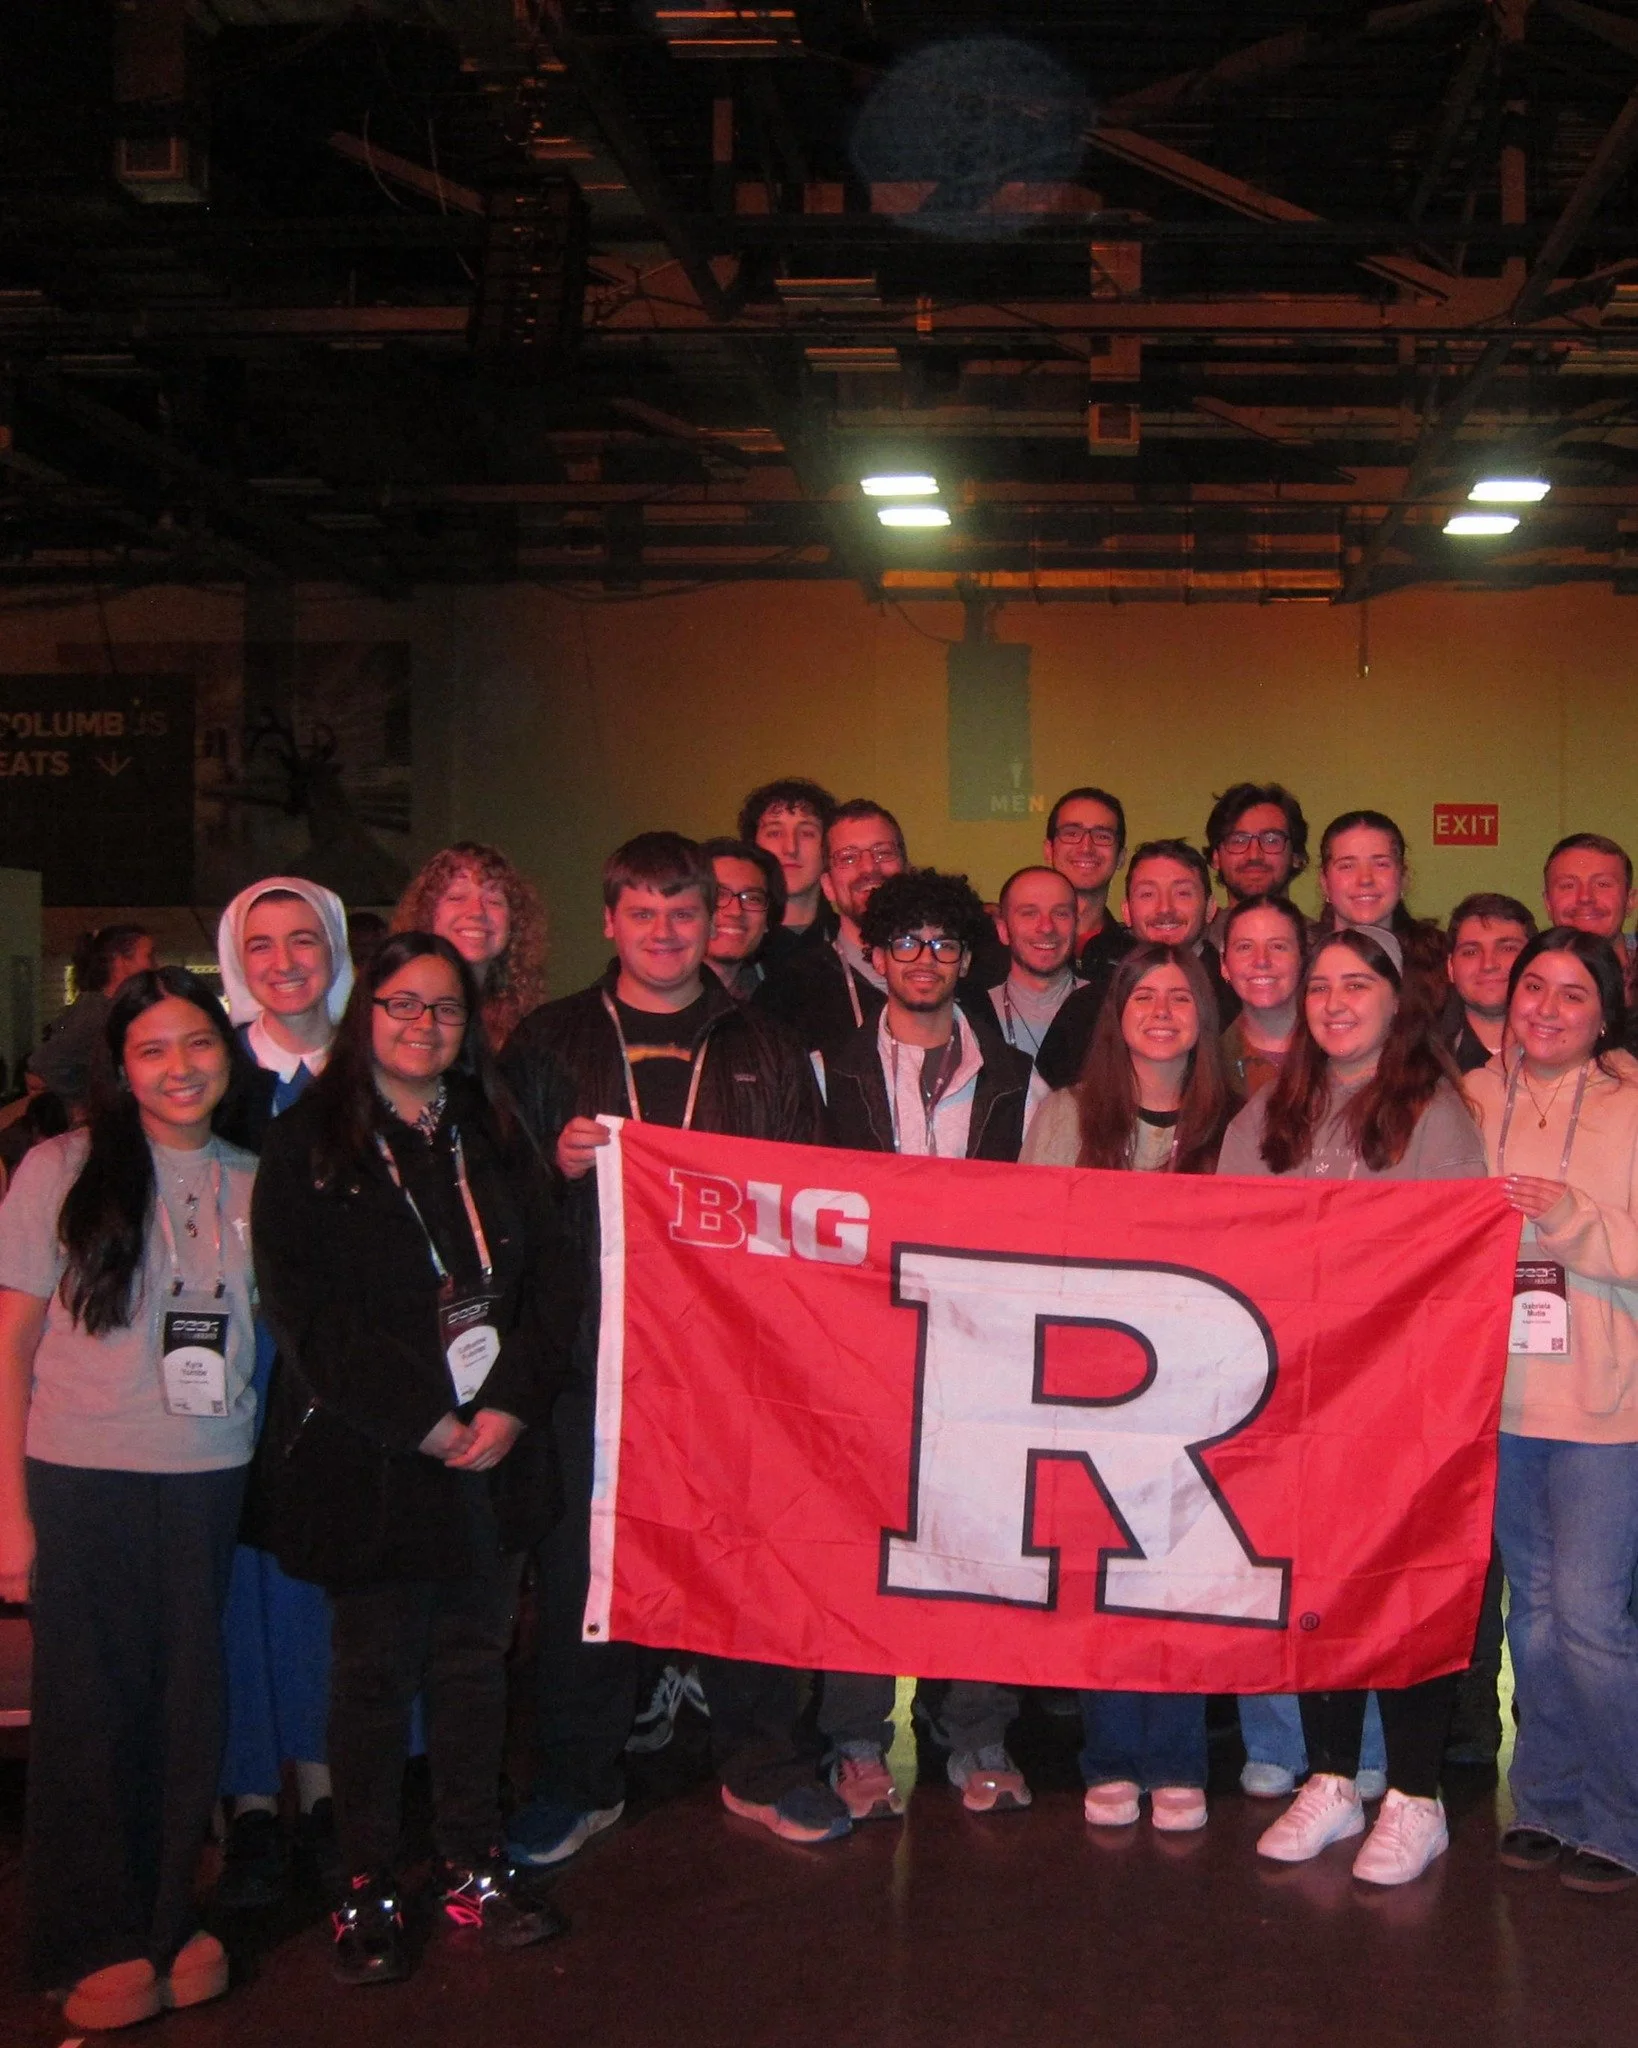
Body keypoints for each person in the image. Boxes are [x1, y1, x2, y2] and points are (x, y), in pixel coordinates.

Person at [501, 832, 852, 1853]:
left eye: (684, 913)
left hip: (732, 1359)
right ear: (609, 920)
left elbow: (812, 1201)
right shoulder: (550, 1041)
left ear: (715, 923)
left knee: (750, 1563)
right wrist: (557, 1167)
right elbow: (497, 1205)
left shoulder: (765, 1045)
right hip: (590, 1358)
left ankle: (763, 1762)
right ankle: (578, 1774)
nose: (664, 932)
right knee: (588, 1574)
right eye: (643, 913)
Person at [251, 933, 571, 1982]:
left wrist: (514, 1405)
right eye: (401, 1004)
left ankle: (472, 1859)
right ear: (364, 1012)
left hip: (495, 1450)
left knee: (477, 1666)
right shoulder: (306, 1146)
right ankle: (367, 1881)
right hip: (380, 1457)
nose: (423, 1025)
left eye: (444, 1008)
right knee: (376, 1674)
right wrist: (426, 1421)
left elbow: (550, 1280)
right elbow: (310, 1318)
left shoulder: (493, 1127)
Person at [0, 968, 257, 2029]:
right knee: (89, 1715)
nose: (180, 1066)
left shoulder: (252, 1174)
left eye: (197, 1042)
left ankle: (162, 1920)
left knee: (185, 1709)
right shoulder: (60, 1167)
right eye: (153, 1049)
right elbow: (8, 1348)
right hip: (83, 1474)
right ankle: (85, 1937)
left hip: (208, 1477)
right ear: (121, 1066)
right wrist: (8, 1513)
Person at [1219, 927, 1486, 1885]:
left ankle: (1417, 1794)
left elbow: (1452, 1265)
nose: (1334, 1001)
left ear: (1395, 998)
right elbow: (1231, 1249)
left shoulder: (1435, 1111)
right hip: (1296, 1400)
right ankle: (1332, 1776)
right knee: (1317, 1590)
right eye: (1319, 985)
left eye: (1355, 985)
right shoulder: (1265, 1114)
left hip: (1404, 1401)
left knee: (1408, 1588)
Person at [818, 870, 1038, 1822]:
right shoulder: (827, 1069)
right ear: (874, 957)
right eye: (904, 943)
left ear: (966, 958)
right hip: (858, 1347)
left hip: (982, 1351)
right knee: (857, 1543)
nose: (924, 961)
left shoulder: (1021, 1081)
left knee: (980, 1544)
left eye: (943, 944)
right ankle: (857, 1741)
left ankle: (977, 1735)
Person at [1022, 943, 1233, 1834]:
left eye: (1180, 996)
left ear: (1203, 1018)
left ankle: (1177, 1759)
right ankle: (1109, 1758)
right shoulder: (1068, 1116)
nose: (1160, 1010)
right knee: (1098, 1579)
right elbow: (1025, 1245)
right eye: (1142, 995)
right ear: (1116, 1015)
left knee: (1181, 1579)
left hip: (1204, 1388)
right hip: (1089, 1386)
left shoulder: (1244, 1124)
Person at [1467, 927, 1638, 1894]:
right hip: (1496, 1399)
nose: (1547, 1008)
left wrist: (1570, 1214)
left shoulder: (1632, 1104)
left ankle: (1622, 1814)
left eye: (1574, 994)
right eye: (1535, 986)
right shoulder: (1469, 1096)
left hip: (1604, 1404)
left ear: (1604, 1009)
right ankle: (1546, 1800)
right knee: (1530, 1617)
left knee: (1590, 1619)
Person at [212, 878, 355, 1907]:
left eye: (303, 939)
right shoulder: (210, 1073)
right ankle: (253, 1797)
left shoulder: (375, 1062)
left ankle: (334, 1779)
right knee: (242, 1584)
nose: (284, 960)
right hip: (227, 1365)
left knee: (329, 1579)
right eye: (259, 944)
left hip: (345, 1365)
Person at [1036, 840, 1236, 1090]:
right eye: (1147, 894)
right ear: (1127, 911)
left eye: (1182, 893)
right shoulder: (1086, 1008)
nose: (1165, 908)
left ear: (1210, 908)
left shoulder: (1240, 1002)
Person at [755, 798, 907, 1066]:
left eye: (883, 853)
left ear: (906, 870)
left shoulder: (953, 975)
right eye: (848, 858)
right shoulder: (787, 993)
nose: (869, 868)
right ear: (827, 885)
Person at [394, 841, 548, 1052]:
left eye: (493, 901)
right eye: (457, 897)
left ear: (514, 922)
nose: (476, 911)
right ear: (426, 913)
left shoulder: (529, 1023)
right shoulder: (396, 1011)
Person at [1314, 809, 1446, 1015]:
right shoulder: (1302, 962)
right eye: (1347, 866)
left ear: (1403, 877)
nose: (1365, 879)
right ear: (1324, 882)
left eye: (1381, 864)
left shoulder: (1442, 962)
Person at [27, 923, 155, 1115]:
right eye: (148, 956)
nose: (154, 964)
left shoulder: (111, 1007)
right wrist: (85, 1102)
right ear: (120, 960)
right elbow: (42, 1065)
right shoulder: (95, 1012)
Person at [985, 865, 1084, 1063]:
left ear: (1076, 926)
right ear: (1003, 930)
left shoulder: (1110, 1009)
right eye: (1029, 913)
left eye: (1060, 913)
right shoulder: (973, 1018)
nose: (1046, 927)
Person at [1039, 785, 1132, 989]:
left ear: (1121, 857)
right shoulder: (1012, 946)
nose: (1086, 847)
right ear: (1049, 849)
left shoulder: (1135, 960)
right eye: (1072, 833)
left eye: (1102, 836)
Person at [738, 776, 836, 968]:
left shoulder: (858, 944)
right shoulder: (725, 942)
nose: (790, 848)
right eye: (774, 833)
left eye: (807, 833)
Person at [1217, 894, 1306, 1099]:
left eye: (1278, 946)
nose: (1262, 961)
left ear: (1302, 959)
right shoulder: (1210, 1066)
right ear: (1224, 965)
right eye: (1245, 947)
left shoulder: (1338, 1050)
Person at [1203, 783, 1310, 945]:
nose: (1254, 855)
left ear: (1296, 856)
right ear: (1216, 857)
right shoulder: (1194, 950)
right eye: (1238, 840)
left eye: (1271, 840)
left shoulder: (1328, 949)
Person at [1542, 833, 1637, 1006]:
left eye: (1602, 884)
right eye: (1568, 885)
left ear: (1630, 900)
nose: (1585, 897)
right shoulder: (1523, 980)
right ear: (1548, 903)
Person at [1446, 893, 1537, 1073]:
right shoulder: (1418, 1058)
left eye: (1507, 948)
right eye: (1471, 952)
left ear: (1536, 959)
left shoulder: (1573, 1052)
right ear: (1450, 968)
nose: (1488, 964)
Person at [700, 835, 785, 1002]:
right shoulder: (648, 1000)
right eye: (719, 895)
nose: (736, 911)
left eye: (753, 898)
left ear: (768, 920)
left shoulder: (777, 1007)